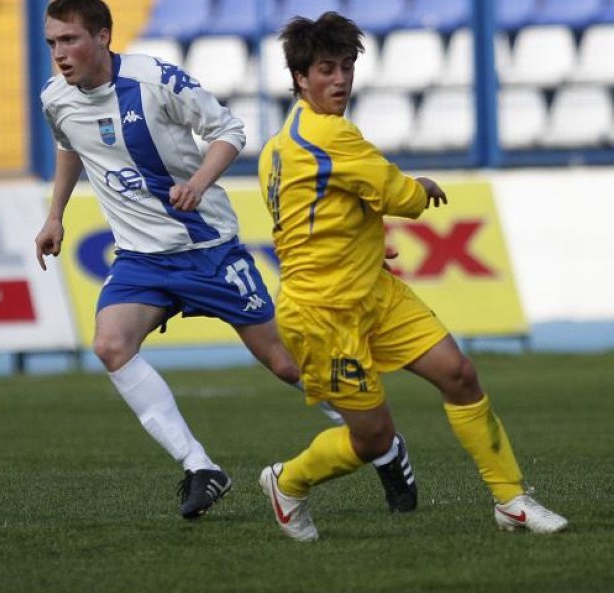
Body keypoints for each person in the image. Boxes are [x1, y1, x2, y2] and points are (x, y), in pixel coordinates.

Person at [35, 0, 417, 520]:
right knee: (110, 345)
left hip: (206, 248)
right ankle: (200, 468)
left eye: (70, 40)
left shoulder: (154, 81)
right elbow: (70, 146)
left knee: (285, 363)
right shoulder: (56, 98)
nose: (60, 54)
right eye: (52, 43)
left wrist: (197, 183)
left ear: (103, 36)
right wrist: (55, 215)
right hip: (140, 258)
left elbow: (229, 131)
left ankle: (382, 446)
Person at [256, 11, 568, 541]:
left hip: (372, 292)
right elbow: (402, 196)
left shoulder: (279, 147)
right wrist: (421, 187)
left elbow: (307, 218)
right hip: (323, 314)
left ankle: (511, 500)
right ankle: (288, 483)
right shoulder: (330, 136)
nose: (339, 80)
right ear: (300, 79)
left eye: (347, 67)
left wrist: (360, 246)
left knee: (460, 375)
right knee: (372, 439)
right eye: (326, 69)